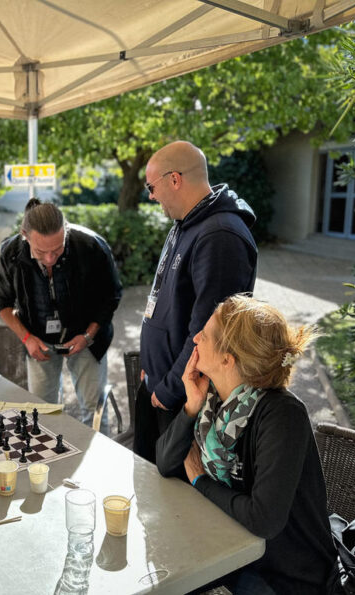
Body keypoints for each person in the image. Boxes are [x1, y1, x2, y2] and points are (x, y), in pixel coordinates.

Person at [156, 295, 336, 594]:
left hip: (283, 573)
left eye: (206, 334)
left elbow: (263, 520)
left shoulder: (282, 414)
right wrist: (190, 406)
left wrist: (200, 480)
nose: (196, 337)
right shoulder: (213, 398)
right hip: (226, 545)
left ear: (228, 360)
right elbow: (165, 463)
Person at [135, 140, 258, 462]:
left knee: (172, 493)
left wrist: (170, 387)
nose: (151, 195)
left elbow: (208, 331)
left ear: (174, 179)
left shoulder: (220, 236)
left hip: (183, 398)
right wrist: (150, 368)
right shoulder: (185, 223)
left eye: (152, 186)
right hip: (159, 383)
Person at [0, 198, 122, 432]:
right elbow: (1, 303)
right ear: (25, 235)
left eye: (58, 249)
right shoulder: (11, 253)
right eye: (41, 251)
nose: (50, 258)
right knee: (41, 412)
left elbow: (111, 296)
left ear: (66, 231)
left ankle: (98, 462)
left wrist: (88, 335)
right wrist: (26, 338)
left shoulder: (91, 246)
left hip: (87, 337)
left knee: (93, 410)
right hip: (37, 339)